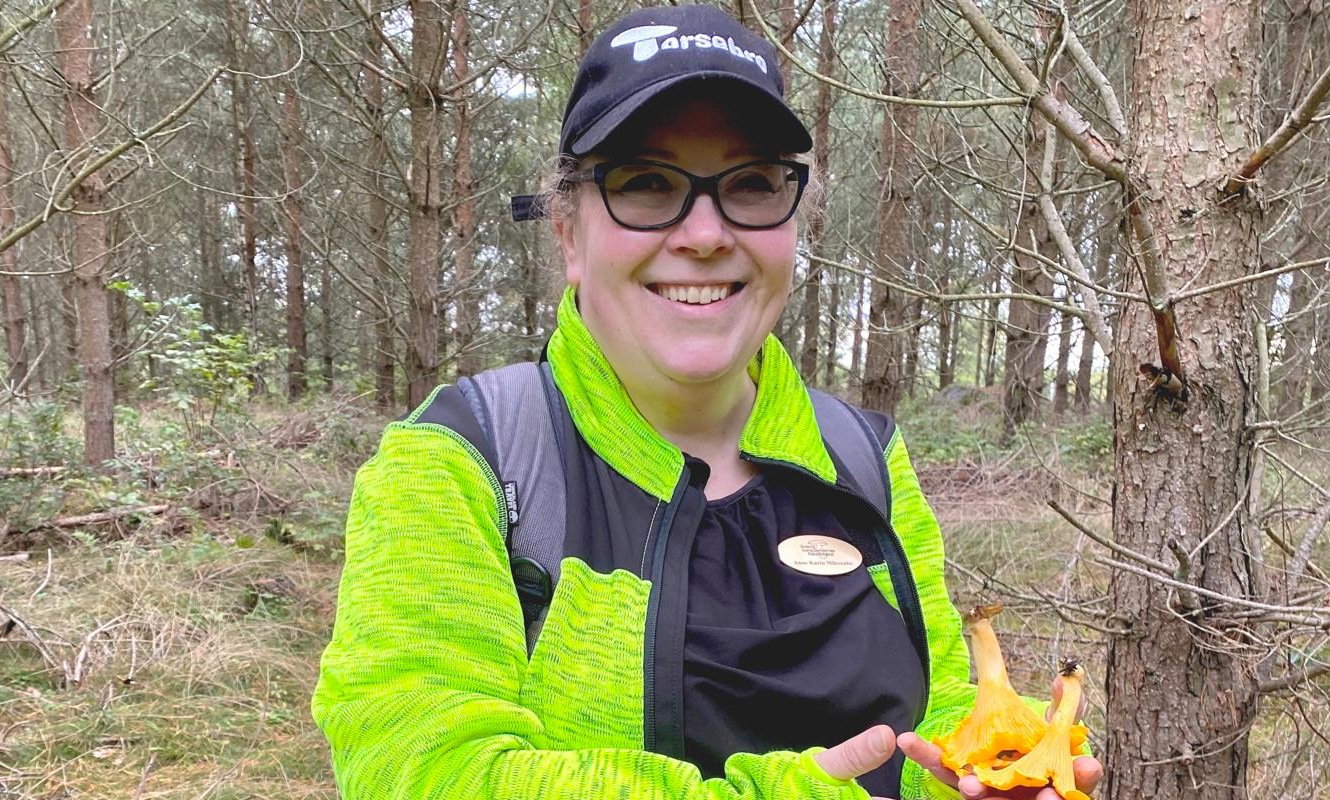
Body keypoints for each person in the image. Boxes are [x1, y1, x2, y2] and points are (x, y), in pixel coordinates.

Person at [312, 6, 1102, 800]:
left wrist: (993, 769)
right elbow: (421, 769)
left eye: (751, 184)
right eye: (647, 183)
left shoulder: (865, 460)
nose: (703, 232)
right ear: (567, 232)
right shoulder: (461, 463)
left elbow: (933, 721)